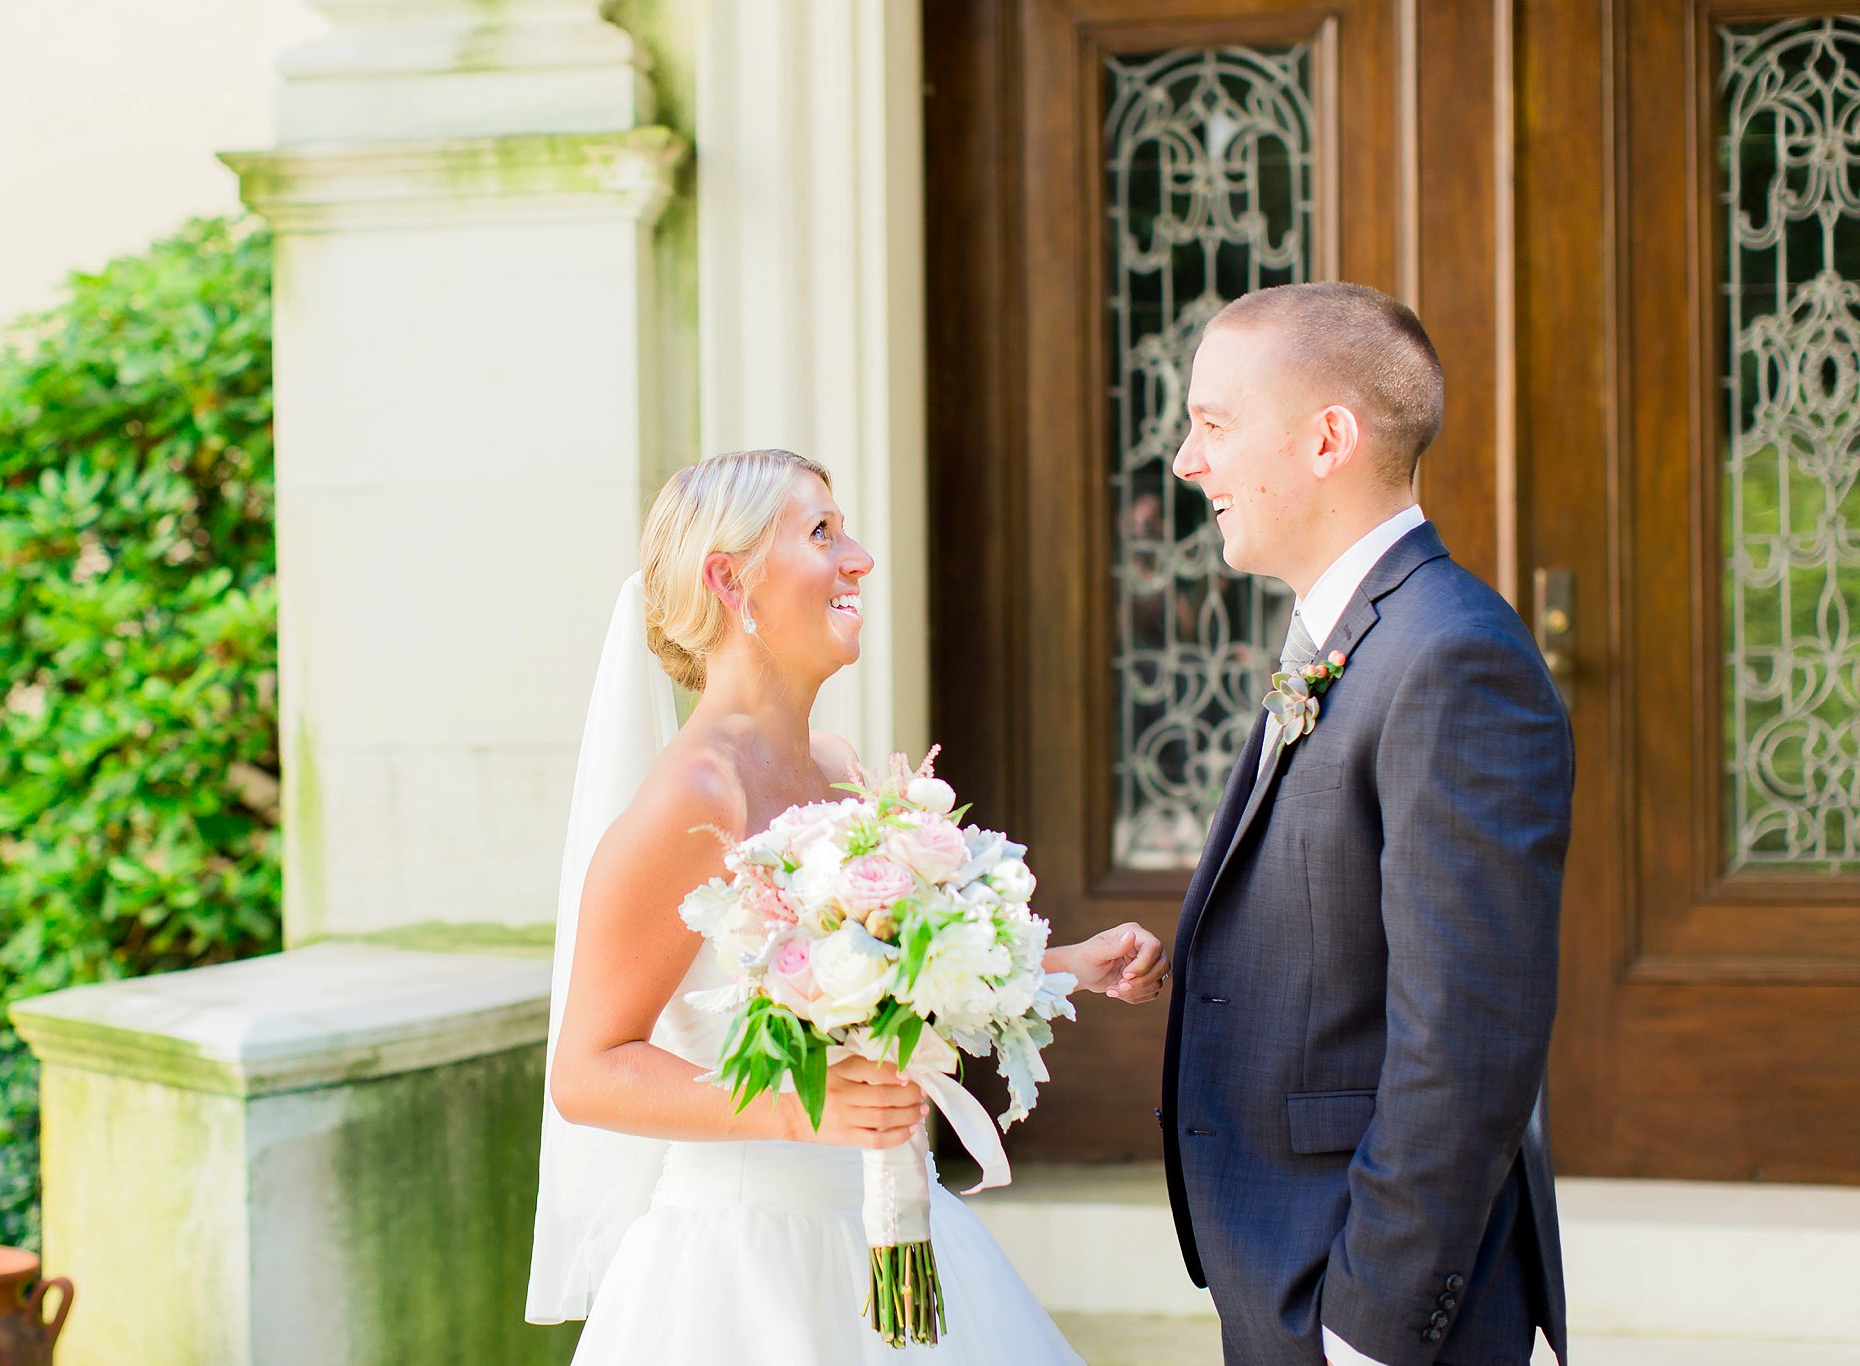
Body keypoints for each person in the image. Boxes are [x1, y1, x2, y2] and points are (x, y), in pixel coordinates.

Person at [528, 448, 1174, 1363]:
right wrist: (799, 1109)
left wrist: (1064, 967)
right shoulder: (691, 799)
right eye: (821, 532)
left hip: (888, 1219)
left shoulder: (834, 766)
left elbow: (891, 976)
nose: (860, 557)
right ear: (729, 579)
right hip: (749, 1267)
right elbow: (587, 1072)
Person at [1161, 283, 1573, 1366]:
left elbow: (1467, 1038)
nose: (1184, 463)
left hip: (1365, 1297)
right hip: (1283, 1258)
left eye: (1211, 425)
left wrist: (1370, 1327)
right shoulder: (1348, 632)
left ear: (1327, 439)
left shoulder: (1450, 658)